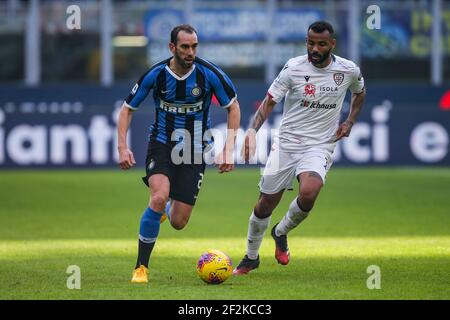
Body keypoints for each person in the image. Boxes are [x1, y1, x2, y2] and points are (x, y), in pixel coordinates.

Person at [233, 21, 366, 274]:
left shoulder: (348, 70)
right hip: (287, 144)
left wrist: (349, 121)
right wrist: (252, 130)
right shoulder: (293, 68)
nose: (314, 48)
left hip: (320, 145)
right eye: (310, 43)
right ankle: (251, 257)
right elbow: (269, 102)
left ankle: (280, 232)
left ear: (332, 44)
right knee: (265, 204)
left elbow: (360, 93)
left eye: (321, 44)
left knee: (309, 191)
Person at [117, 24, 240, 283]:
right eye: (185, 46)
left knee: (178, 222)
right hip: (161, 144)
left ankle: (165, 209)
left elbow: (233, 107)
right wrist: (122, 147)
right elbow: (127, 109)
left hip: (194, 151)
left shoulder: (209, 74)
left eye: (194, 46)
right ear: (172, 47)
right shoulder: (156, 75)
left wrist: (229, 148)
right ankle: (141, 267)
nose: (190, 52)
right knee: (159, 196)